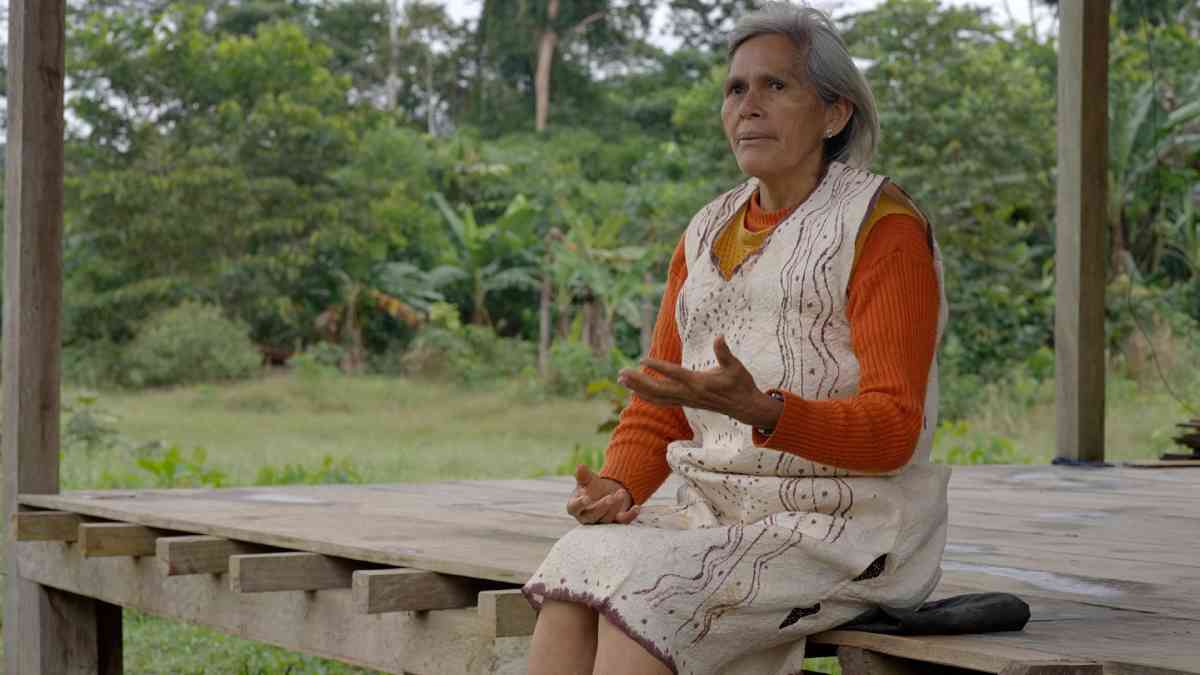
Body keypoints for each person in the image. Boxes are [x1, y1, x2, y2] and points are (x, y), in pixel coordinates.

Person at [522, 3, 950, 674]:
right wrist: (617, 485)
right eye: (735, 89)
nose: (748, 105)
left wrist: (767, 412)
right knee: (581, 562)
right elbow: (661, 406)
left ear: (835, 114)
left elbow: (896, 427)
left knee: (646, 598)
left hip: (847, 529)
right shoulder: (705, 230)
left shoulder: (881, 225)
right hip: (717, 516)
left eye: (775, 86)